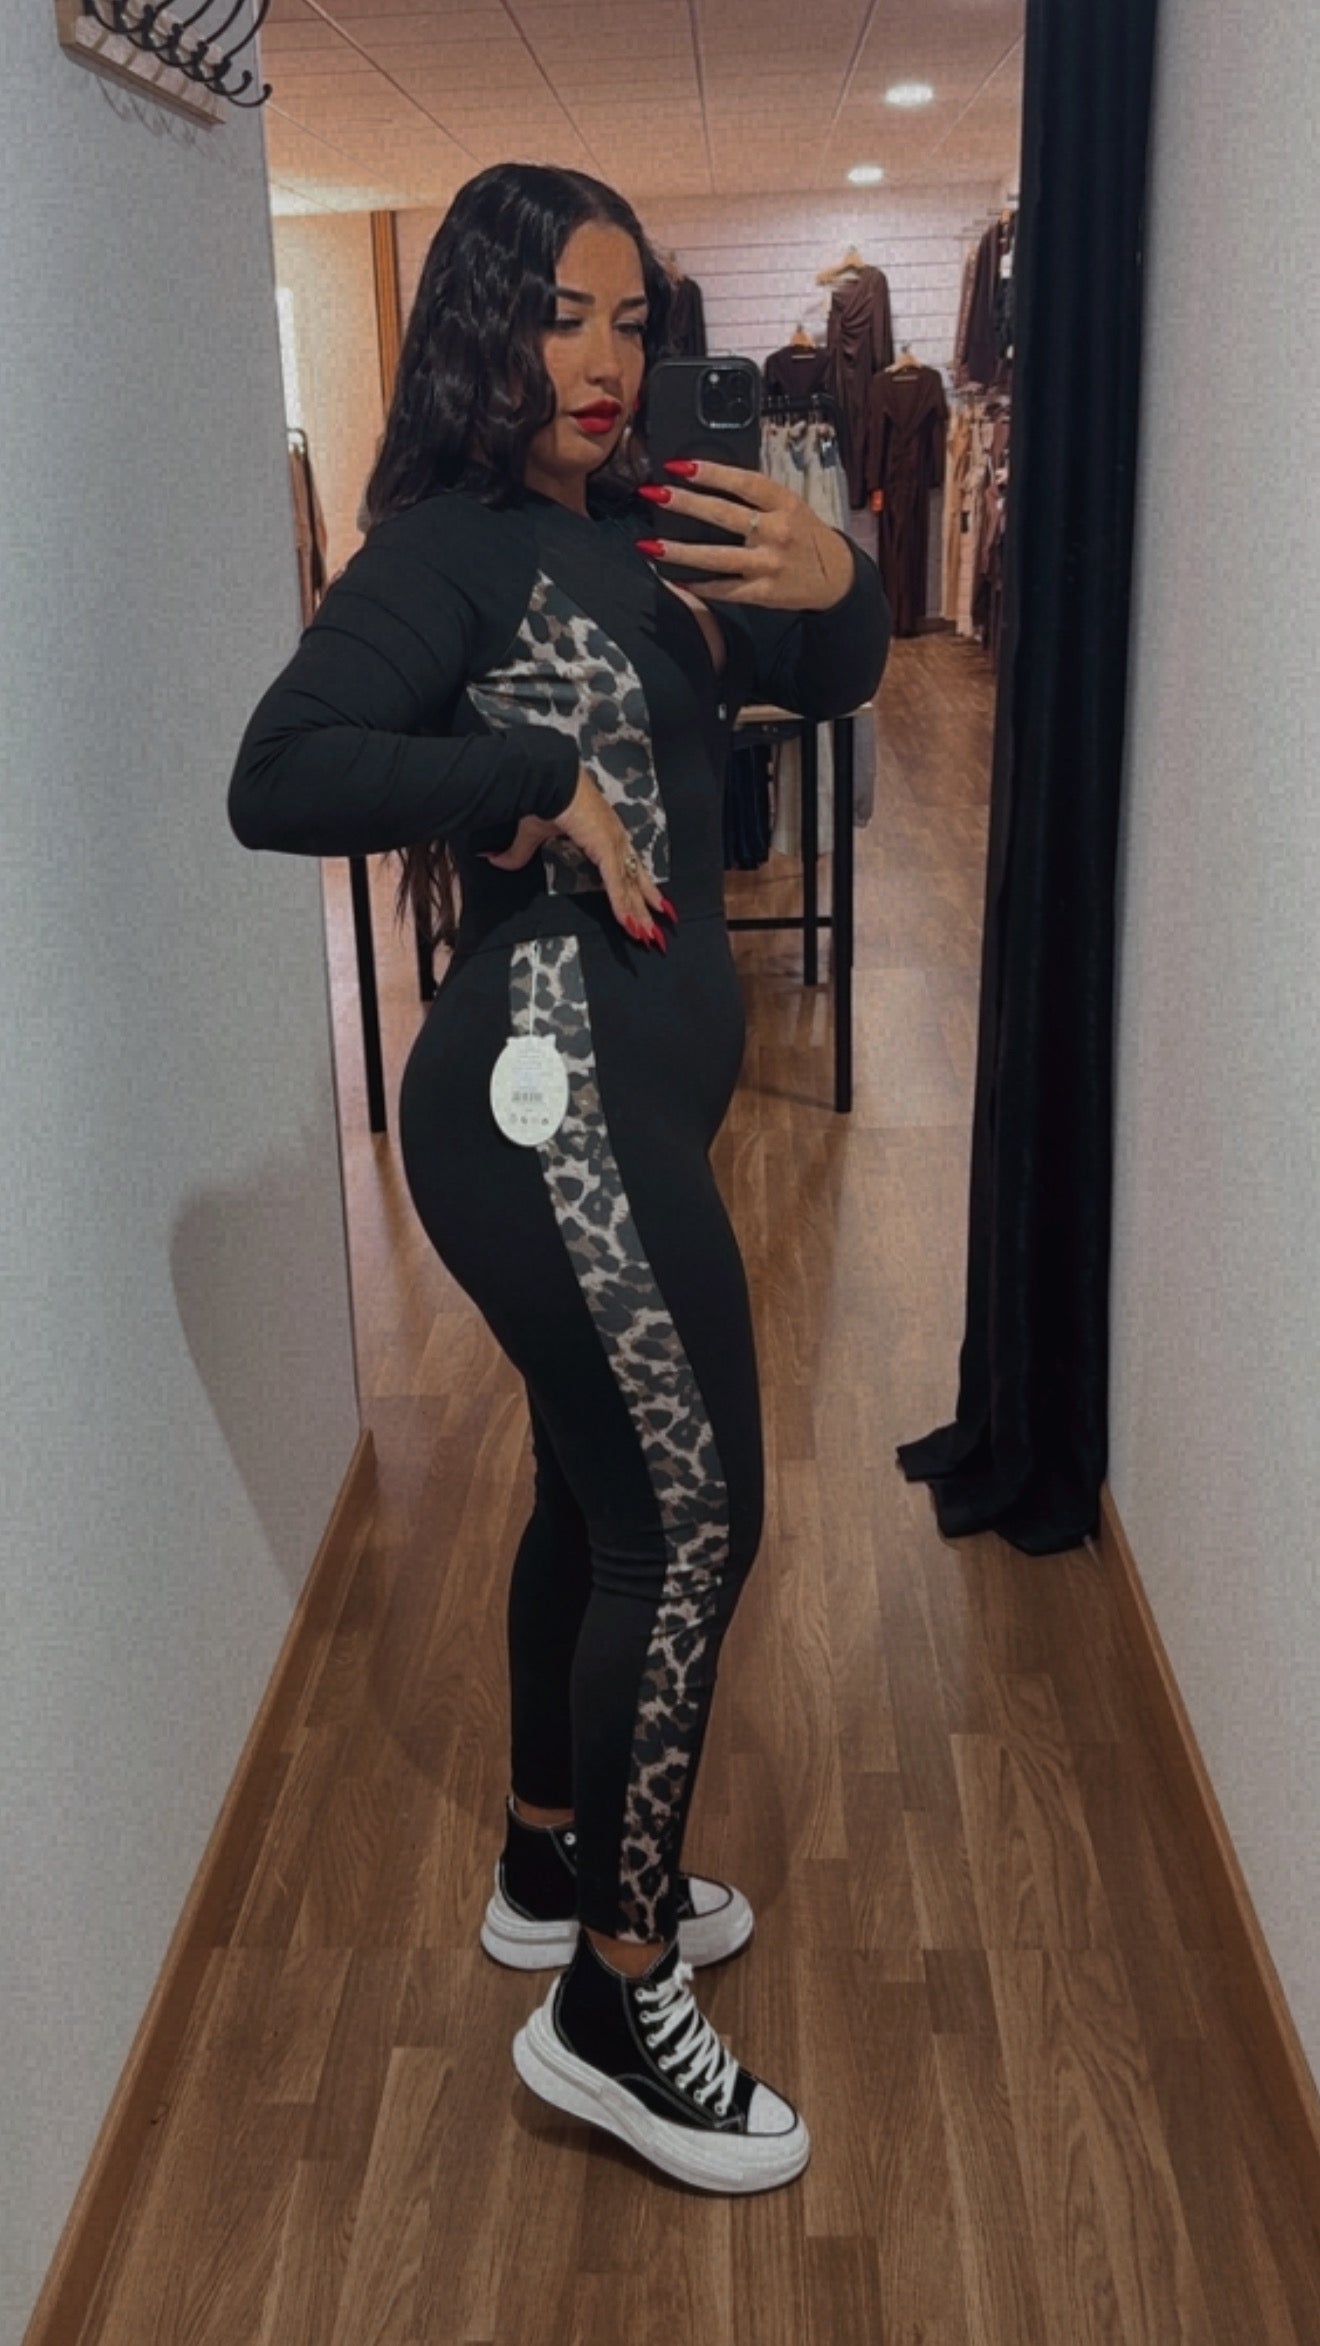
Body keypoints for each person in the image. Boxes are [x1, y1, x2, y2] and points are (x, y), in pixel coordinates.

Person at [228, 161, 890, 2196]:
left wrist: (840, 583)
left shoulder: (642, 518)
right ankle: (612, 1997)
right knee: (694, 1522)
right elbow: (282, 770)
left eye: (631, 320)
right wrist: (531, 782)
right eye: (561, 315)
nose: (603, 362)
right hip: (551, 1106)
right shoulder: (447, 550)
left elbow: (823, 686)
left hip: (627, 1098)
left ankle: (547, 1860)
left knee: (602, 1492)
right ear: (481, 325)